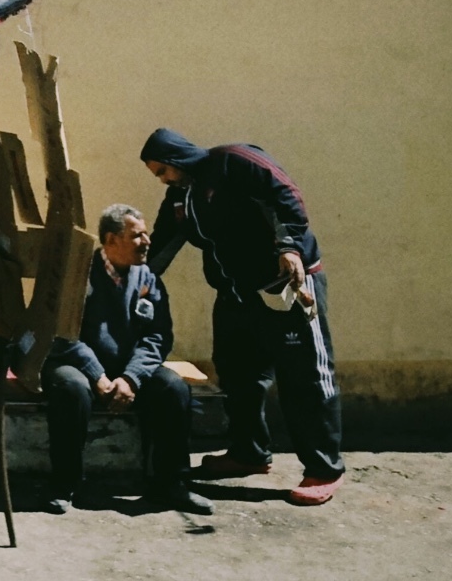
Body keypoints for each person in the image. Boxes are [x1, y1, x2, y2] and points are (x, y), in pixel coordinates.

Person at [140, 128, 343, 507]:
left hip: (286, 285)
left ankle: (323, 469)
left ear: (177, 158)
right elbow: (163, 244)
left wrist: (289, 248)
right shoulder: (181, 197)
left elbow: (285, 197)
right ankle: (248, 452)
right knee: (236, 373)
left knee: (306, 377)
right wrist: (135, 282)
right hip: (236, 295)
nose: (163, 179)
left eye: (162, 171)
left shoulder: (234, 161)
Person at [42, 204, 207, 514]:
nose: (146, 241)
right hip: (78, 364)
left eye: (145, 234)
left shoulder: (148, 278)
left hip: (124, 370)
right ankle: (64, 484)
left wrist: (131, 378)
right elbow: (65, 334)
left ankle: (169, 484)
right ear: (111, 239)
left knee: (174, 389)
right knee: (71, 389)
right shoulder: (78, 273)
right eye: (137, 235)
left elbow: (158, 337)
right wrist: (99, 377)